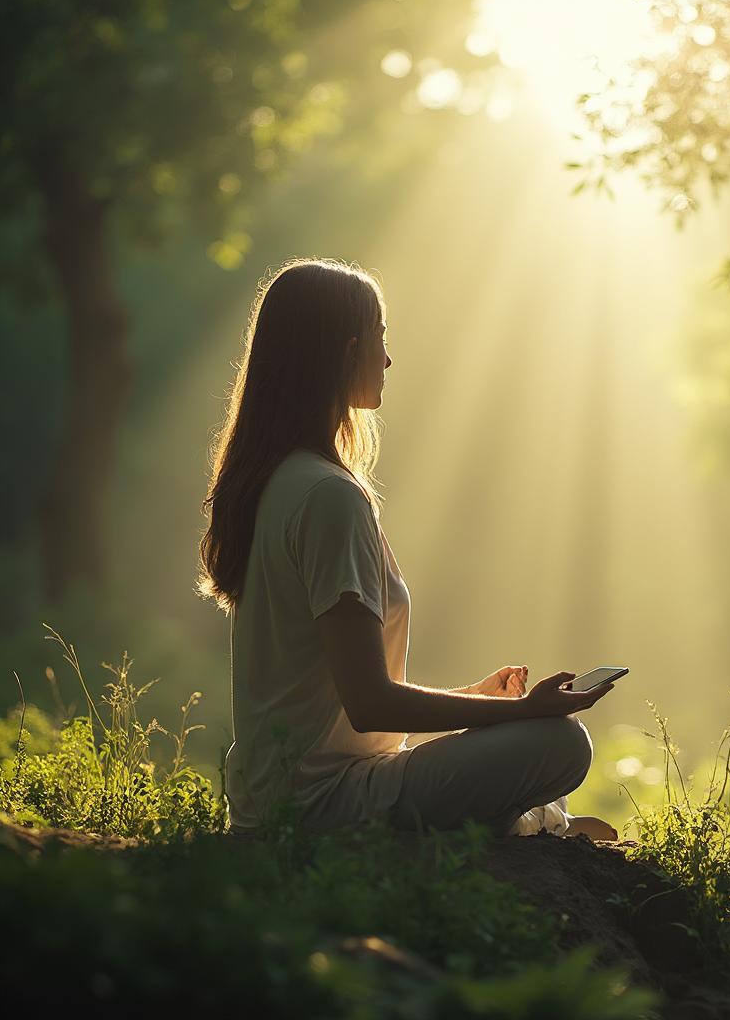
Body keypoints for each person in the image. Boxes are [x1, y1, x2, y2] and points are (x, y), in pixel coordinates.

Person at [196, 257, 618, 842]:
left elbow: (350, 706)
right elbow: (372, 704)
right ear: (347, 353)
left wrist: (475, 699)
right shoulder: (328, 497)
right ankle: (536, 828)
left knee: (533, 744)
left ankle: (532, 824)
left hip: (284, 801)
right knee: (562, 744)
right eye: (381, 339)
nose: (388, 359)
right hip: (322, 808)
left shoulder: (278, 482)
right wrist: (524, 713)